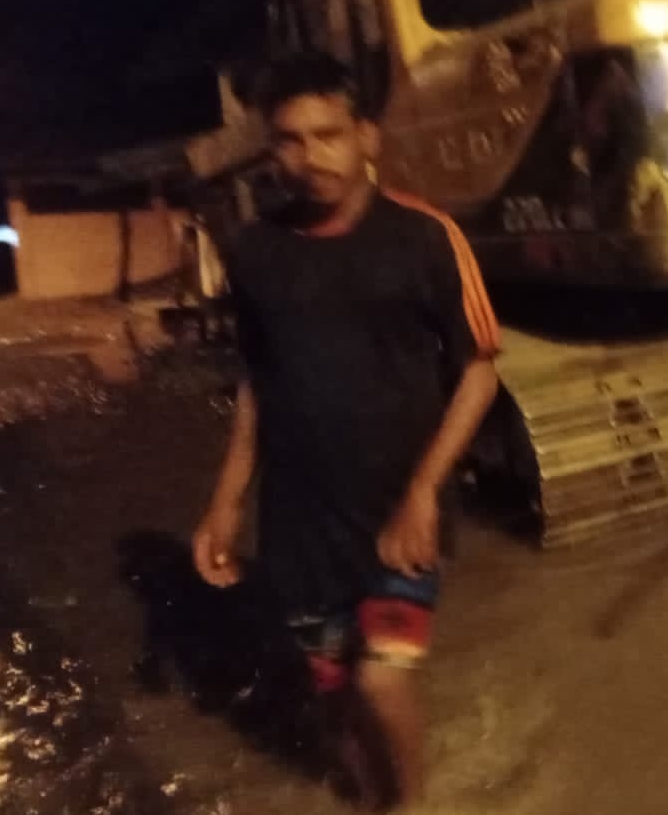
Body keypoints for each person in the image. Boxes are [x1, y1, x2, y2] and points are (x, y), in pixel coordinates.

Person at [191, 51, 502, 812]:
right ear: (272, 150)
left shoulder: (425, 238)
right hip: (300, 526)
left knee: (380, 677)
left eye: (328, 134)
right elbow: (259, 383)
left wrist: (424, 492)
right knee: (332, 693)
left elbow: (479, 372)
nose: (311, 157)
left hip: (399, 512)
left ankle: (411, 804)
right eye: (291, 140)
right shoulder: (256, 253)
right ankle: (366, 796)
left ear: (367, 135)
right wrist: (225, 502)